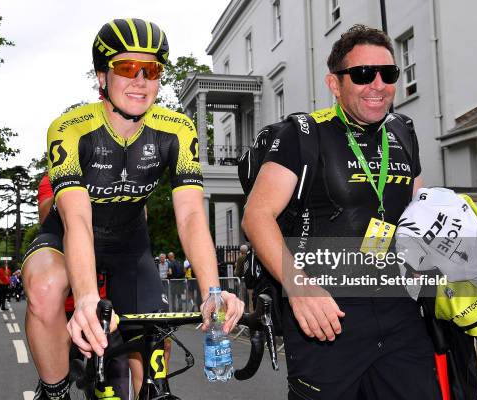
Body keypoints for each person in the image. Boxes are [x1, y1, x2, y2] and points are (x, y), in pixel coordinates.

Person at [22, 18, 243, 400]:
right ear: (102, 77)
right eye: (126, 68)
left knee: (154, 334)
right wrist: (87, 298)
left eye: (151, 70)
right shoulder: (70, 128)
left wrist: (213, 290)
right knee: (44, 289)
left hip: (130, 243)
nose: (140, 80)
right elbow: (76, 218)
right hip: (69, 234)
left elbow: (190, 216)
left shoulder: (177, 129)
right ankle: (54, 390)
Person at [242, 24, 439, 399]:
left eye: (388, 74)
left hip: (400, 315)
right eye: (363, 74)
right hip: (326, 318)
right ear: (335, 84)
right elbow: (256, 215)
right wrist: (298, 288)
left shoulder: (402, 134)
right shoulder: (300, 135)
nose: (378, 84)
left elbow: (420, 212)